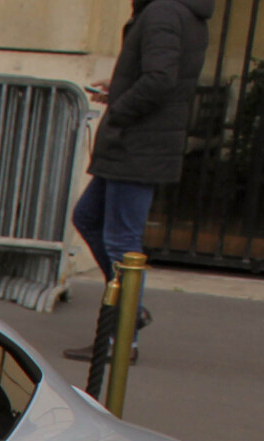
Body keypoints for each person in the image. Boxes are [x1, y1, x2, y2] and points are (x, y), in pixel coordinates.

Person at [64, 0, 213, 363]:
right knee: (88, 217)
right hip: (138, 141)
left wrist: (121, 108)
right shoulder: (179, 12)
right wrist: (118, 92)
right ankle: (132, 311)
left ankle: (124, 334)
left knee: (121, 239)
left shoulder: (163, 12)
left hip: (138, 141)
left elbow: (160, 79)